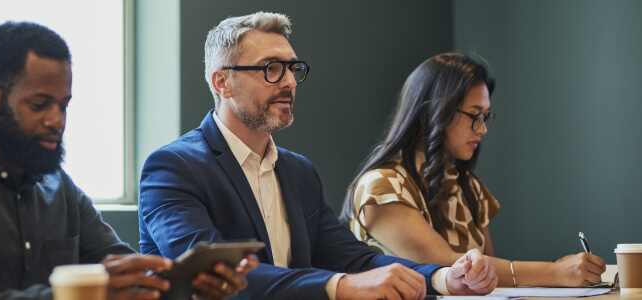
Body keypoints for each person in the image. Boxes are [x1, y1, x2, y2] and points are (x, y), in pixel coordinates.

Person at [139, 12, 497, 300]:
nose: (290, 82)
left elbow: (356, 259)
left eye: (293, 68)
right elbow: (213, 274)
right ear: (222, 83)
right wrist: (339, 287)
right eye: (271, 68)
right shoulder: (173, 167)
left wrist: (444, 278)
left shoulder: (298, 171)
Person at [0, 21, 257, 300]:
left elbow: (129, 276)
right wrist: (75, 294)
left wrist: (192, 287)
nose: (56, 121)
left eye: (63, 105)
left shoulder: (57, 186)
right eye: (39, 104)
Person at [340, 52, 606, 288]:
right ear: (436, 111)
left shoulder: (466, 184)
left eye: (486, 115)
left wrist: (558, 270)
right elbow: (454, 270)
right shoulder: (381, 186)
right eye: (474, 115)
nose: (482, 128)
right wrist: (554, 272)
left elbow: (489, 272)